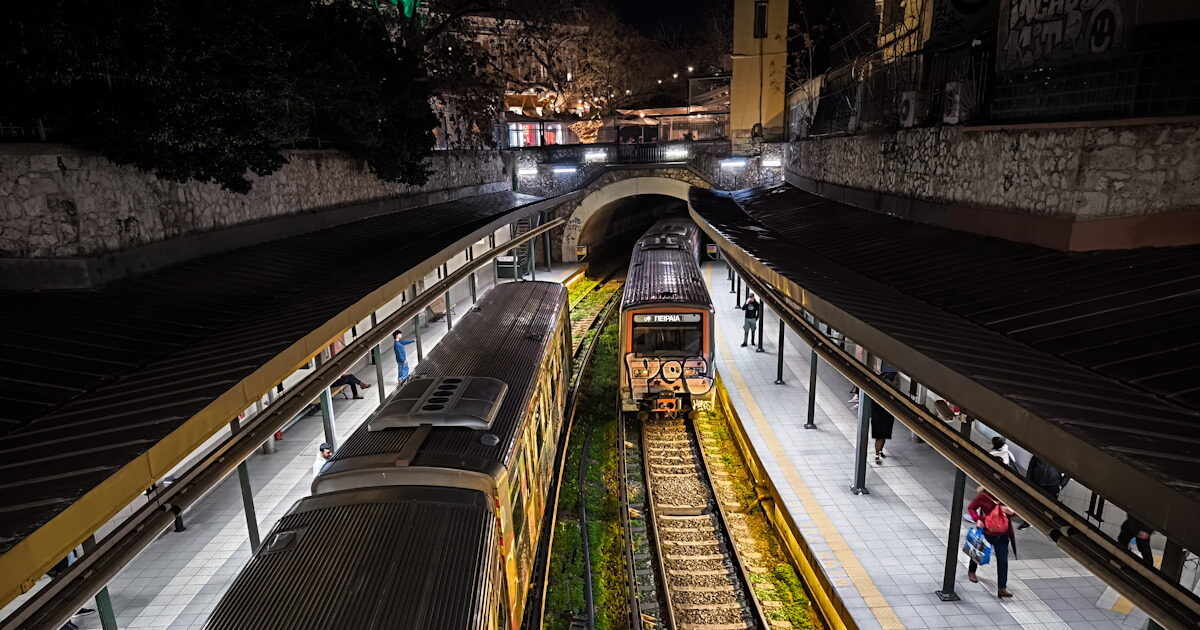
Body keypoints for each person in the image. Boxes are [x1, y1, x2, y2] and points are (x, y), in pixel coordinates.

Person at [966, 486, 1018, 598]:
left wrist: (1011, 512)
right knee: (977, 552)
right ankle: (971, 571)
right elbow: (971, 508)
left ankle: (1002, 588)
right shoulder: (983, 497)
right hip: (986, 531)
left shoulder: (1006, 498)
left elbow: (1016, 512)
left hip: (1002, 534)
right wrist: (977, 519)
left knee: (1003, 560)